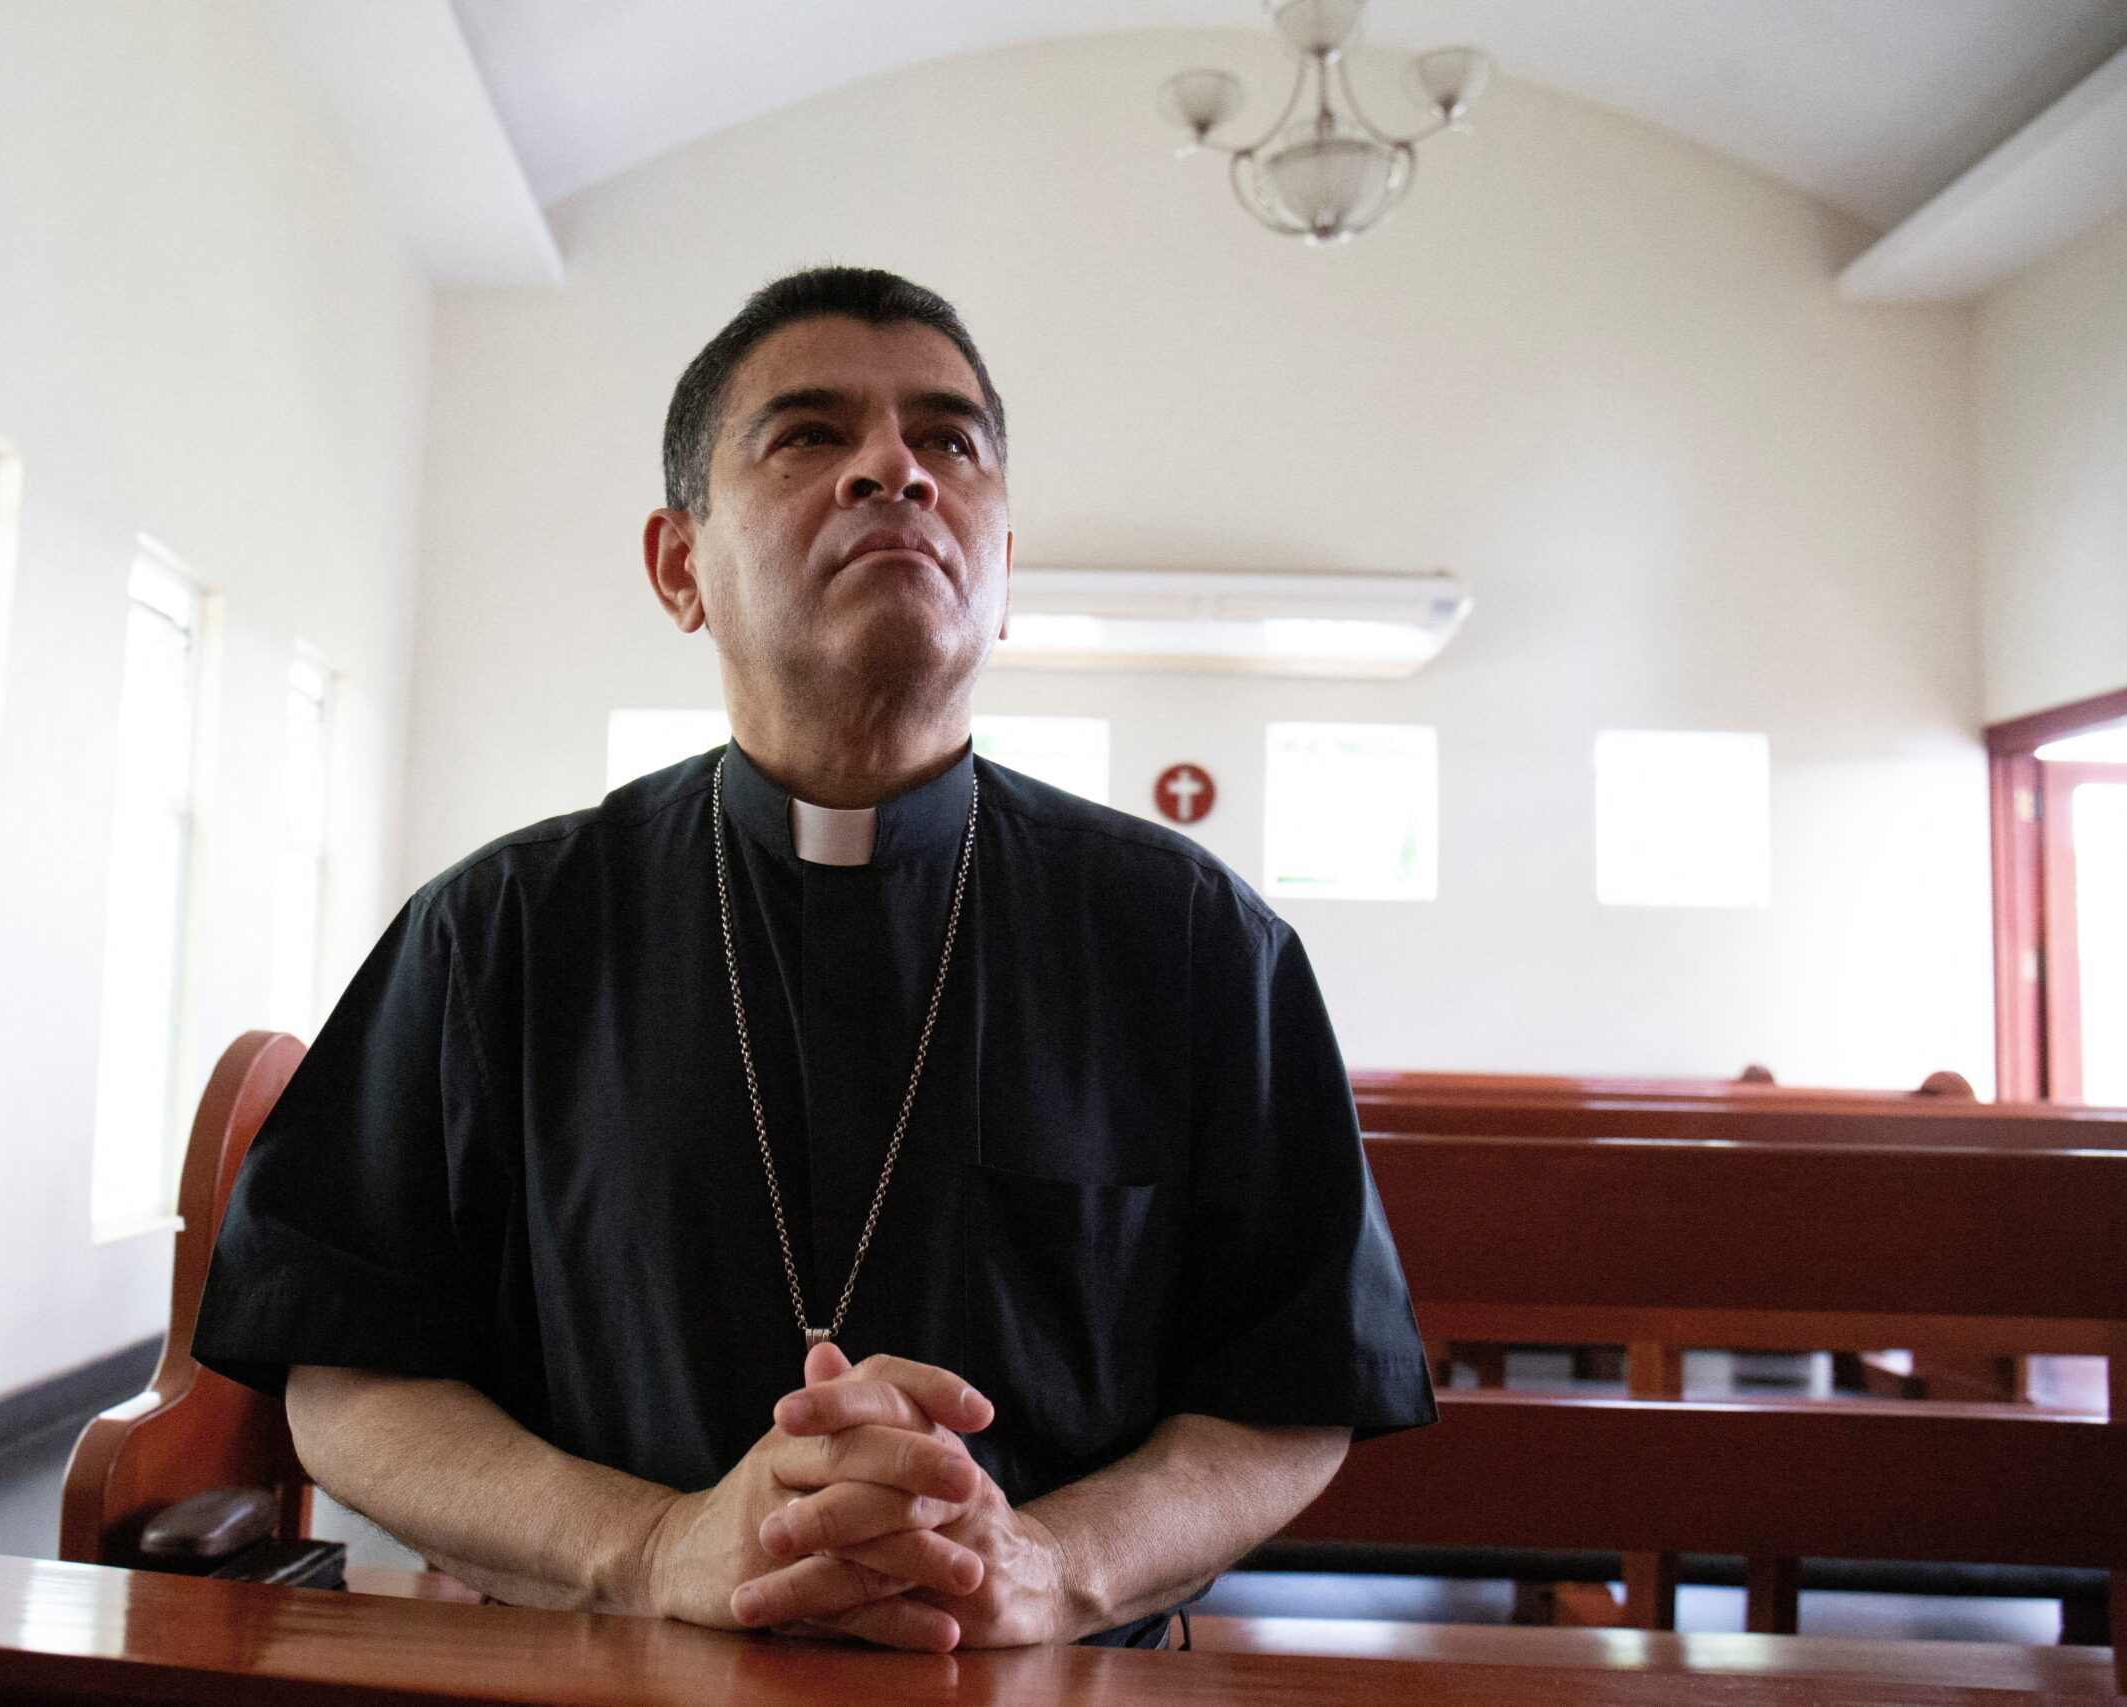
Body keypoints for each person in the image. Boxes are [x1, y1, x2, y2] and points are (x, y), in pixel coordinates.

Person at [193, 266, 1436, 1652]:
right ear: (680, 566)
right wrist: (647, 1546)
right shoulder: (502, 931)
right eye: (809, 434)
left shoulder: (1196, 940)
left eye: (948, 441)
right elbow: (347, 1375)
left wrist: (1056, 1566)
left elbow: (1293, 1383)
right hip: (610, 1683)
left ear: (1004, 568)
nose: (894, 468)